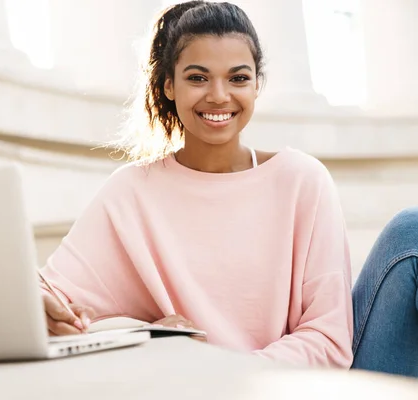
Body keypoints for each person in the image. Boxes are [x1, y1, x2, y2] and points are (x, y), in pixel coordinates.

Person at [39, 1, 418, 377]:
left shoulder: (302, 180)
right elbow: (49, 297)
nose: (219, 95)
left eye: (238, 78)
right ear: (169, 84)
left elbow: (328, 341)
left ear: (257, 85)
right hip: (191, 386)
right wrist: (146, 335)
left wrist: (226, 369)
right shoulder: (130, 192)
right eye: (198, 78)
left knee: (410, 231)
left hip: (292, 386)